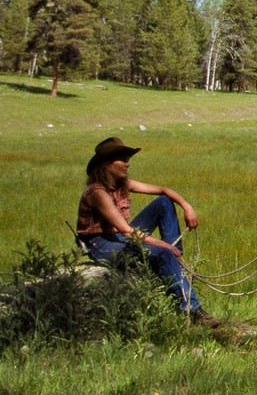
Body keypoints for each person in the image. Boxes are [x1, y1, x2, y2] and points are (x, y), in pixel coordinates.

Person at [75, 136, 216, 324]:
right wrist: (163, 246)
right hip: (100, 242)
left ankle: (175, 255)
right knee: (161, 253)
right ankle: (193, 310)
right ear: (107, 164)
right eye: (122, 160)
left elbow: (163, 190)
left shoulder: (123, 184)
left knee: (164, 203)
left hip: (118, 235)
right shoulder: (97, 193)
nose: (127, 164)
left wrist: (187, 206)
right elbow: (127, 231)